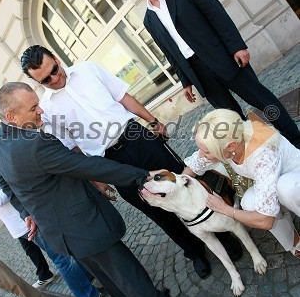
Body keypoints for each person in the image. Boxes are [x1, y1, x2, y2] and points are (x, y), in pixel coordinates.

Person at [0, 82, 208, 297]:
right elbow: (87, 166)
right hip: (81, 223)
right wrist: (143, 175)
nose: (40, 111)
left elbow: (5, 181)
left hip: (58, 231)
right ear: (11, 116)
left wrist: (26, 212)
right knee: (126, 271)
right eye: (33, 108)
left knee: (107, 276)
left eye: (38, 103)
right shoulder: (35, 143)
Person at [20, 46, 243, 280]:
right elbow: (73, 148)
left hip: (138, 138)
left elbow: (123, 97)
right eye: (46, 80)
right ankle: (194, 250)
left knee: (186, 183)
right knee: (155, 207)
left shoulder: (88, 69)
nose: (54, 78)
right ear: (38, 82)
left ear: (56, 58)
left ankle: (223, 236)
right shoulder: (48, 110)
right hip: (110, 162)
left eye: (54, 70)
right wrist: (96, 179)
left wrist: (152, 120)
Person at [122, 0, 300, 149]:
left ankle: (295, 139)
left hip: (223, 57)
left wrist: (237, 46)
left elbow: (215, 13)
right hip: (199, 73)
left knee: (264, 101)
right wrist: (186, 81)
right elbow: (170, 53)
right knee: (233, 122)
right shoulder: (149, 20)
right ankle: (263, 153)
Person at [0, 125, 105, 297]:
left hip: (27, 219)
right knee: (63, 259)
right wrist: (15, 180)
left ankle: (88, 285)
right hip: (26, 222)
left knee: (66, 254)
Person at [183, 109, 300, 257]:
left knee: (286, 187)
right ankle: (292, 237)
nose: (201, 155)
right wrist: (178, 185)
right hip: (269, 181)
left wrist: (225, 209)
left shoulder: (263, 153)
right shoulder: (229, 143)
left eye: (206, 151)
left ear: (231, 147)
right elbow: (194, 165)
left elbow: (265, 221)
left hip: (295, 177)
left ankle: (286, 208)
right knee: (249, 203)